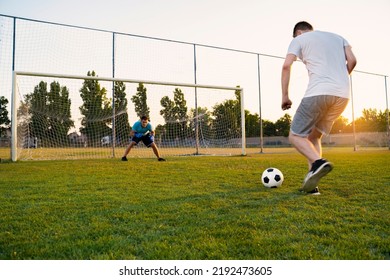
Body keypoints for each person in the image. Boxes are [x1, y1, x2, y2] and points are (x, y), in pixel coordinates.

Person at [281, 21, 357, 194]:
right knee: (314, 137)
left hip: (319, 92)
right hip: (343, 95)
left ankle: (318, 162)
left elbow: (286, 65)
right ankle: (312, 186)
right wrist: (339, 80)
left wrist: (285, 95)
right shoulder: (339, 38)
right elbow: (352, 61)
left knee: (295, 136)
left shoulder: (299, 39)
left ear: (299, 33)